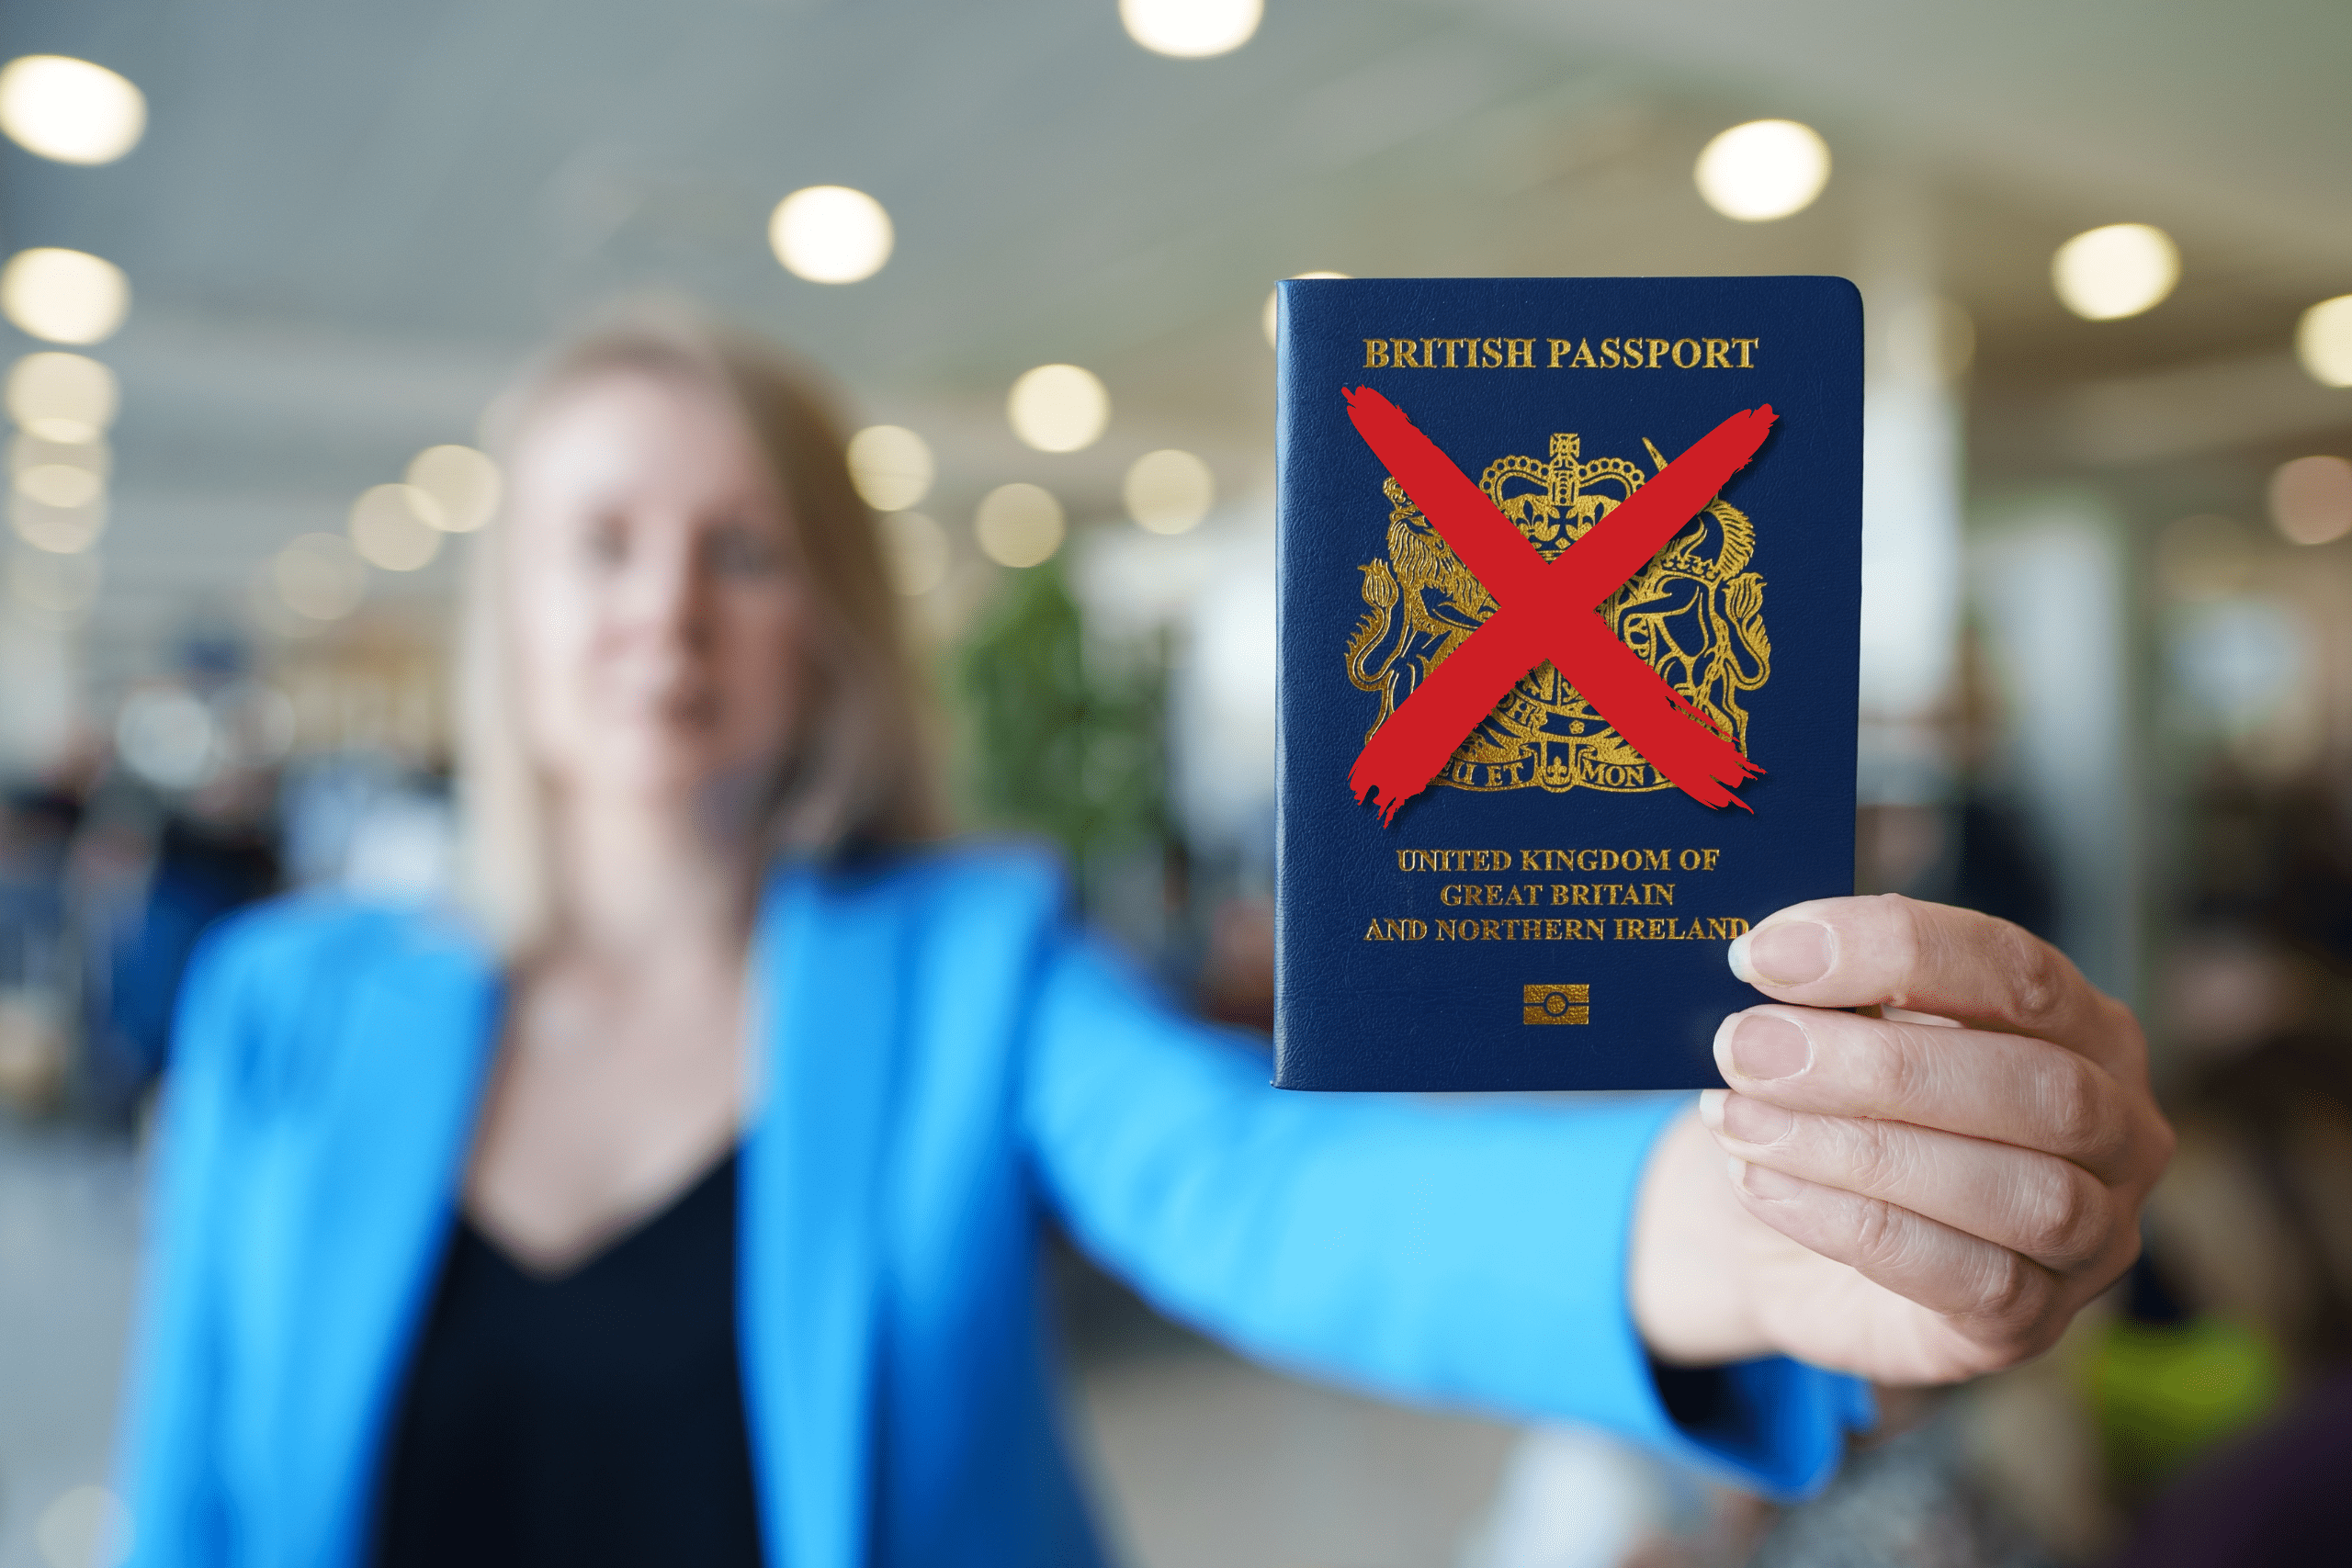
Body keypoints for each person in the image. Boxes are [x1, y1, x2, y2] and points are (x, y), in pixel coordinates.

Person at [115, 312, 2172, 1568]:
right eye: (602, 542)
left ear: (823, 620)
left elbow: (1271, 1193)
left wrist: (1730, 1227)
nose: (666, 608)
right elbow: (197, 1493)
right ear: (509, 612)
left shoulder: (960, 967)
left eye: (741, 548)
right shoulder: (287, 1012)